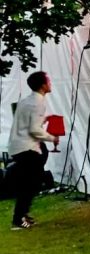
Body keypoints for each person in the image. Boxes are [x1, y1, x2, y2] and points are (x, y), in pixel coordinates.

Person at [7, 71, 57, 230]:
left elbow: (27, 122)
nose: (50, 83)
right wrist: (52, 138)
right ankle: (18, 218)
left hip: (17, 146)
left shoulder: (26, 101)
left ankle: (22, 214)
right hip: (27, 147)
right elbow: (34, 129)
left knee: (30, 182)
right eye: (48, 81)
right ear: (43, 85)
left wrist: (45, 119)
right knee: (30, 183)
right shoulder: (39, 102)